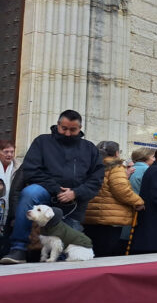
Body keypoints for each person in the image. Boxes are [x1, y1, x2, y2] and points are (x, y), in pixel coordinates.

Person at [1, 110, 104, 264]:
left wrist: (76, 192)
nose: (68, 133)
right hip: (46, 191)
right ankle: (18, 248)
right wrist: (56, 188)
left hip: (75, 201)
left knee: (67, 251)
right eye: (64, 129)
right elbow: (31, 169)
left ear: (80, 128)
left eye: (73, 130)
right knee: (30, 193)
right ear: (58, 125)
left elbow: (97, 178)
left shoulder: (89, 148)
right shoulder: (42, 142)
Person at [83, 141, 145, 256]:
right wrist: (138, 201)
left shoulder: (89, 166)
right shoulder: (116, 168)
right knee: (105, 253)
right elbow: (121, 190)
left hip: (89, 215)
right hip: (109, 218)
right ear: (117, 153)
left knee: (91, 251)